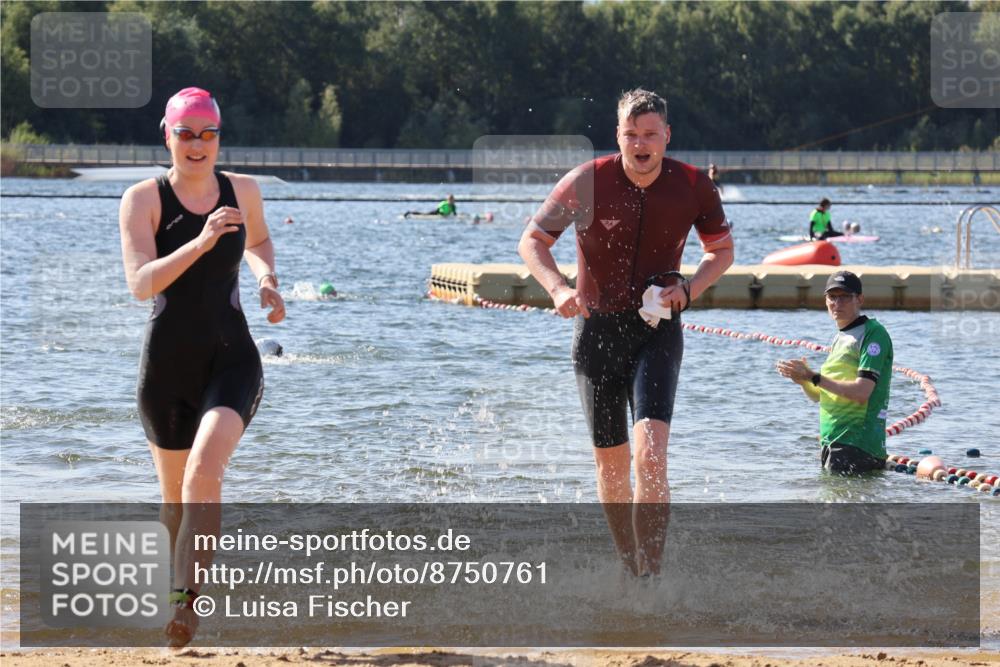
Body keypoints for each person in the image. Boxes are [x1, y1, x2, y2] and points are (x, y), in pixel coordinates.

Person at [517, 88, 734, 576]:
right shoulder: (587, 182)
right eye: (630, 134)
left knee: (651, 456)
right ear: (617, 135)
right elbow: (531, 241)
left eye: (650, 134)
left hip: (656, 332)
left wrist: (691, 288)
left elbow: (722, 251)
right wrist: (556, 288)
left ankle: (651, 578)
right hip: (595, 335)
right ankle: (630, 567)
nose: (640, 144)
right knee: (612, 471)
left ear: (666, 136)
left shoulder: (694, 185)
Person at [118, 87, 286, 646]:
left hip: (233, 360)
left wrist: (266, 279)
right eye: (185, 133)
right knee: (173, 505)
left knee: (203, 476)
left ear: (219, 137)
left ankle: (187, 605)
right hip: (165, 373)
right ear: (167, 136)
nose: (196, 144)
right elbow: (141, 285)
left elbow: (259, 239)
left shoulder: (243, 190)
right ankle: (172, 590)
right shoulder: (144, 199)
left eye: (206, 133)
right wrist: (203, 239)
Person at [776, 271, 893, 475]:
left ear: (860, 299)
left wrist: (813, 377)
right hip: (833, 441)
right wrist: (803, 381)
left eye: (845, 297)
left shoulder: (873, 333)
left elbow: (861, 392)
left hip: (857, 443)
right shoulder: (840, 337)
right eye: (832, 297)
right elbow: (820, 395)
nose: (837, 303)